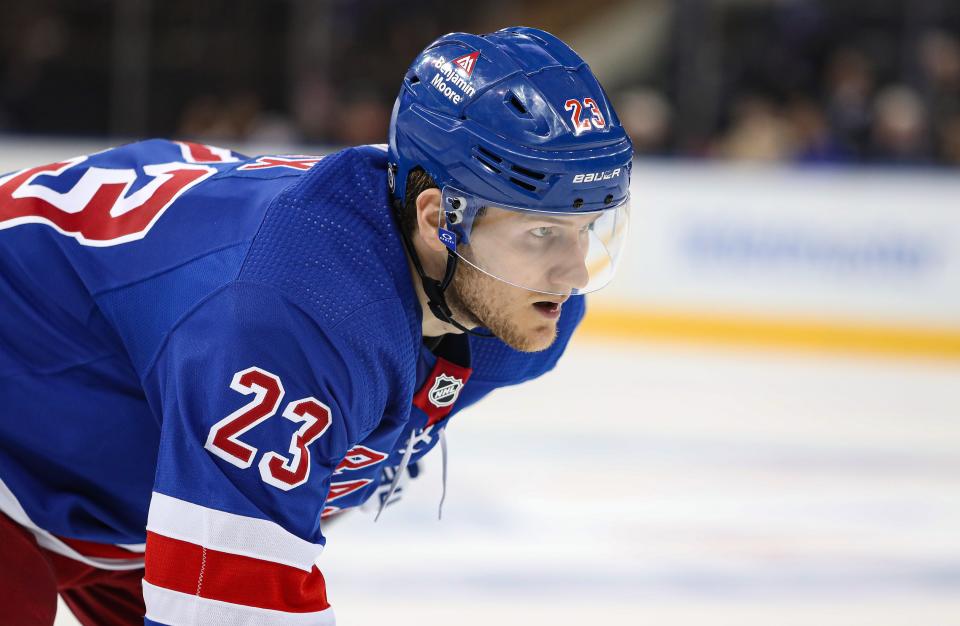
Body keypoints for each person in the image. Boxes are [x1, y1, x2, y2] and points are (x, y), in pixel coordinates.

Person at [0, 27, 632, 625]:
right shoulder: (296, 312)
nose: (572, 273)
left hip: (101, 506)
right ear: (439, 217)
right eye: (543, 232)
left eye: (588, 229)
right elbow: (228, 603)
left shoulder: (512, 316)